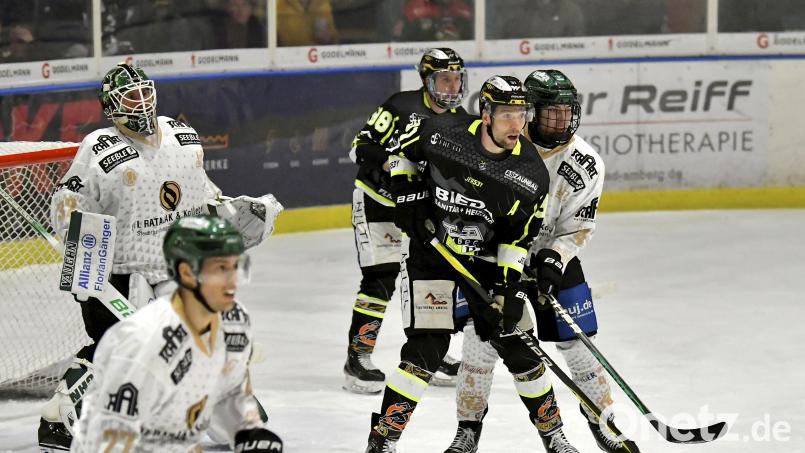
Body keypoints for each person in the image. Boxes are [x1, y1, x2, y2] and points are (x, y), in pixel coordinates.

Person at [39, 62, 282, 451]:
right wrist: (79, 245)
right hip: (121, 271)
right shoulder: (98, 147)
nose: (142, 102)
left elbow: (204, 196)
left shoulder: (183, 137)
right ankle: (59, 417)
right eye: (131, 96)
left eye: (145, 92)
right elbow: (68, 201)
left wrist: (232, 212)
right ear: (111, 106)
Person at [365, 75, 582, 453]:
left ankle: (554, 435)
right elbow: (400, 153)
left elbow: (518, 240)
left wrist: (508, 290)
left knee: (518, 347)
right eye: (507, 115)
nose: (517, 125)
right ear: (486, 113)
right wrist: (410, 197)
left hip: (483, 261)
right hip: (431, 257)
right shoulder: (443, 134)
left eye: (522, 114)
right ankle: (383, 439)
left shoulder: (530, 175)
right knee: (425, 350)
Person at [443, 70, 639, 453]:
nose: (562, 121)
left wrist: (554, 260)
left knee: (579, 345)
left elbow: (578, 228)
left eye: (568, 112)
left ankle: (605, 423)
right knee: (479, 345)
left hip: (552, 259)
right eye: (552, 113)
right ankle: (468, 429)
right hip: (494, 257)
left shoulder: (586, 162)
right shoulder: (499, 144)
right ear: (529, 112)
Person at [70, 215, 283, 452]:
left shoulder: (235, 322)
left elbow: (229, 392)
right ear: (186, 273)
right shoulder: (137, 343)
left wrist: (247, 430)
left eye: (236, 266)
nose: (232, 281)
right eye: (220, 269)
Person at [344, 48, 467, 394]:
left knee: (426, 277)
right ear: (427, 80)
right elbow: (359, 148)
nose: (452, 85)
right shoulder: (400, 106)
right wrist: (392, 164)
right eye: (444, 78)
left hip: (418, 208)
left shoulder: (460, 121)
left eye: (457, 78)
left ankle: (430, 352)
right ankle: (358, 357)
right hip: (377, 202)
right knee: (381, 278)